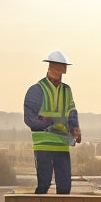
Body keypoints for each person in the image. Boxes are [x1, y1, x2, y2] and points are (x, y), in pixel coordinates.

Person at [23, 50, 81, 194]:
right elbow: (29, 119)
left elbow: (71, 112)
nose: (60, 72)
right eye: (57, 67)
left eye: (62, 68)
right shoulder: (36, 90)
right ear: (49, 67)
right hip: (43, 146)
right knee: (44, 184)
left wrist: (75, 128)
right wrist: (50, 123)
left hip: (62, 146)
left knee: (65, 186)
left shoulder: (67, 90)